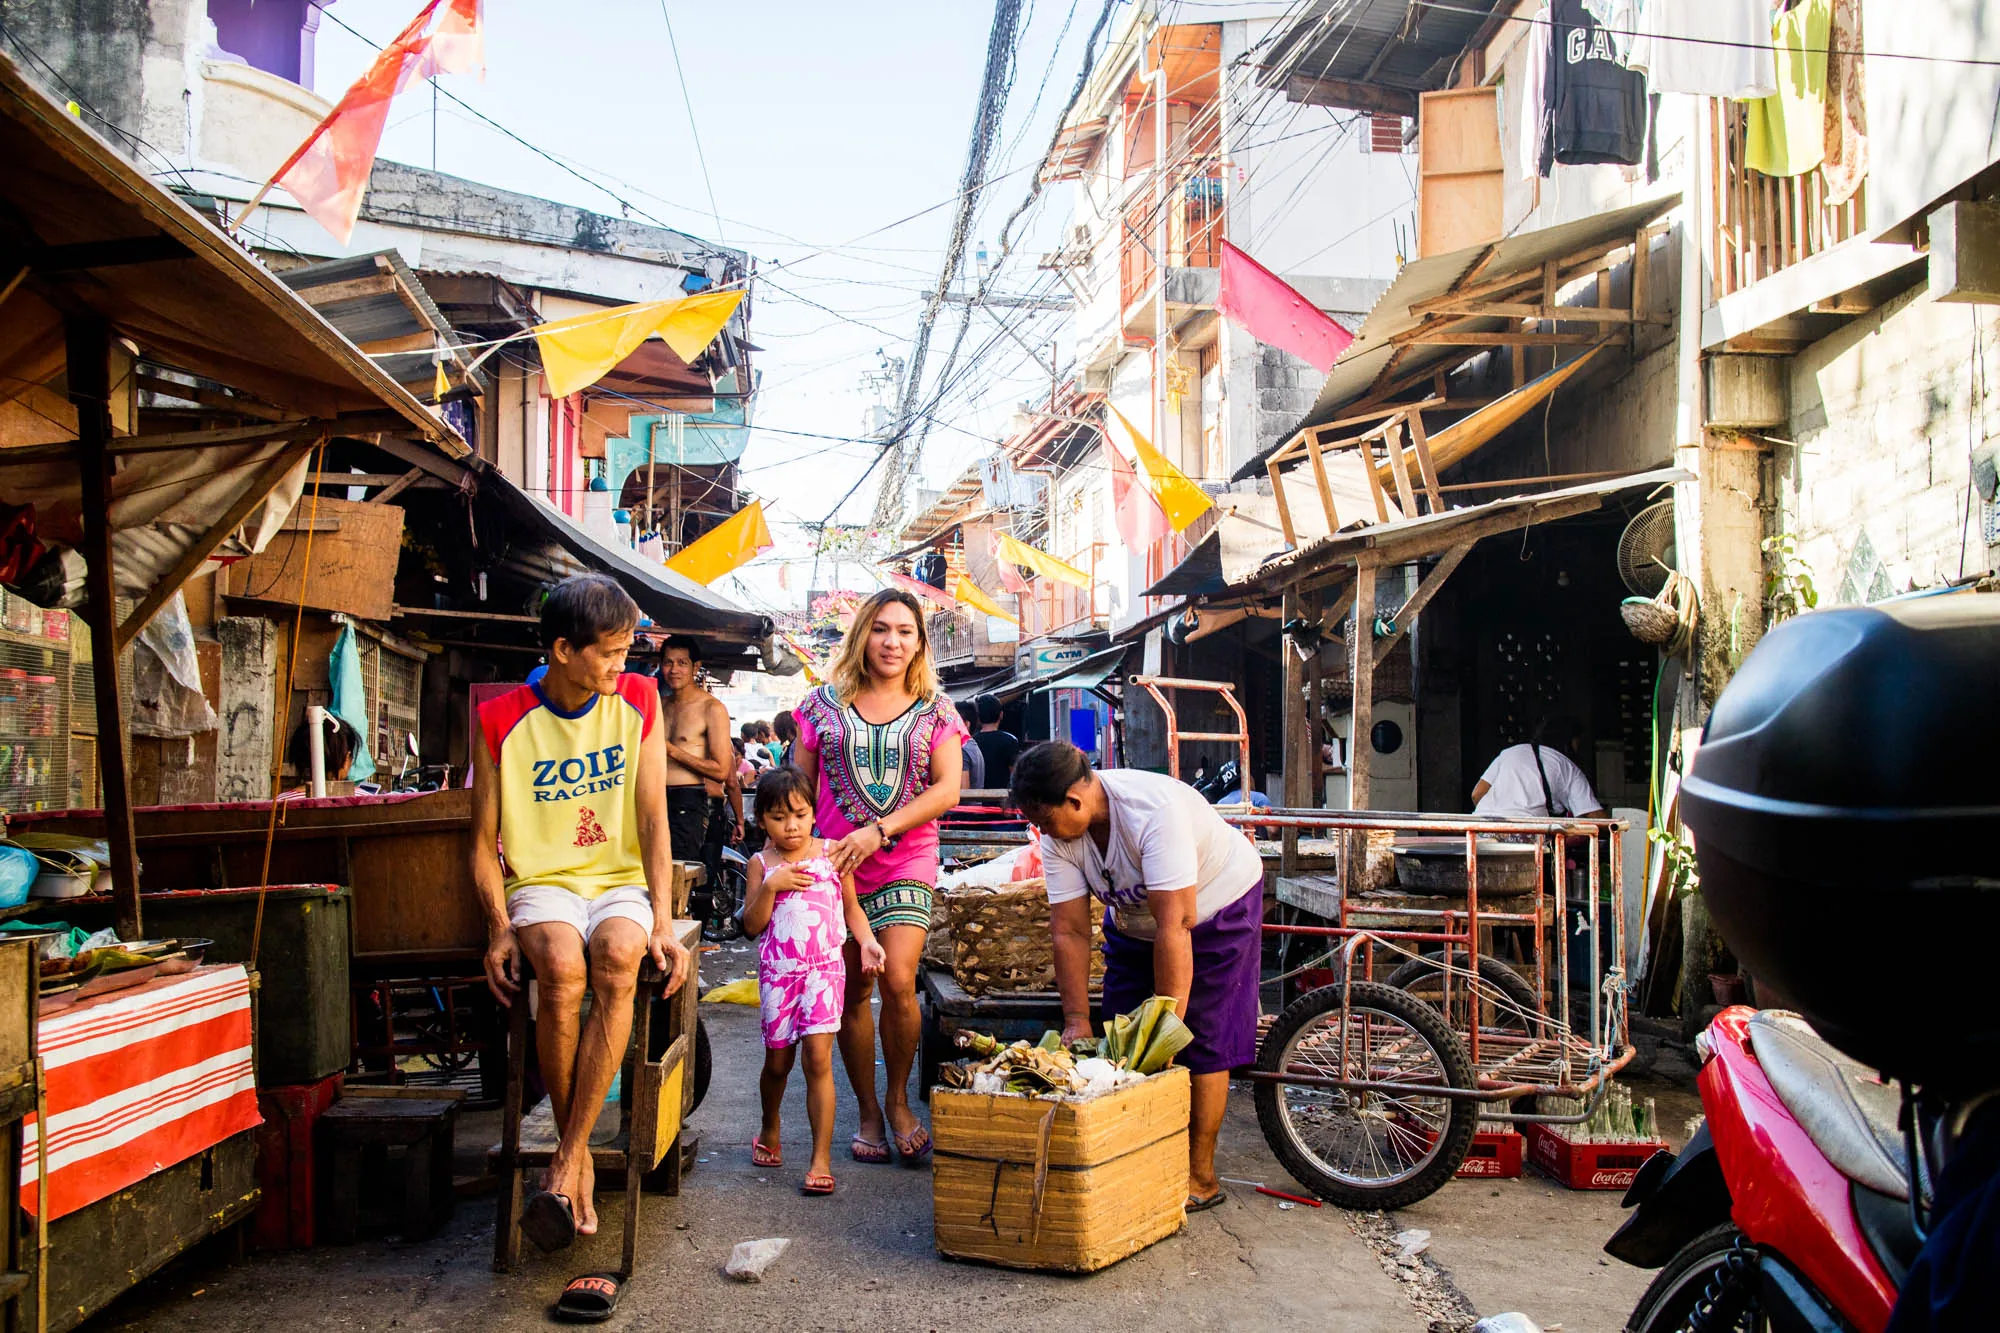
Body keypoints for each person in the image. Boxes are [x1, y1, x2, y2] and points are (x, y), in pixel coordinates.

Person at [471, 574, 691, 1259]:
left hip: (618, 880)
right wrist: (497, 926)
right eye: (611, 651)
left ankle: (567, 1159)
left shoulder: (640, 700)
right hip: (542, 882)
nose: (624, 664)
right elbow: (480, 843)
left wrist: (662, 920)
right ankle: (581, 1157)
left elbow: (653, 820)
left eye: (628, 650)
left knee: (620, 957)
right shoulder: (499, 719)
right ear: (564, 649)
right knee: (562, 967)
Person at [1010, 741, 1264, 1214]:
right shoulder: (1059, 836)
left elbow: (1176, 926)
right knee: (1119, 1036)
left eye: (1044, 820)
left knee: (1203, 1041)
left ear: (1075, 801)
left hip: (1215, 907)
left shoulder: (1153, 812)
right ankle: (1138, 1160)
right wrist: (1076, 1019)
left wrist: (1166, 1029)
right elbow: (1069, 930)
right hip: (1133, 921)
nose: (1042, 831)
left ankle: (1200, 1177)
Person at [791, 587, 968, 1163]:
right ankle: (867, 1109)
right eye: (881, 629)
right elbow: (799, 788)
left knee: (896, 979)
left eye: (905, 632)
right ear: (862, 635)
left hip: (906, 856)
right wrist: (800, 850)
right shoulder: (821, 705)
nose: (892, 642)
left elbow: (947, 788)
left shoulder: (937, 709)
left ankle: (897, 1100)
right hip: (836, 865)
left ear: (919, 644)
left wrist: (879, 830)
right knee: (852, 989)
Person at [742, 766, 887, 1196]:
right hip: (779, 976)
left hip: (824, 972)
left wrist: (867, 942)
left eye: (800, 815)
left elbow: (852, 909)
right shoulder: (760, 865)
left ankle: (820, 1159)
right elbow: (751, 924)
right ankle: (770, 1126)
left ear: (813, 813)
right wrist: (771, 887)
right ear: (761, 820)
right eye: (778, 818)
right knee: (778, 1063)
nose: (791, 826)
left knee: (818, 1060)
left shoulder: (832, 854)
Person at [659, 636, 733, 912]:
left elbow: (721, 770)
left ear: (695, 667)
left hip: (689, 802)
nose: (674, 669)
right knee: (652, 873)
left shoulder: (711, 708)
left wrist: (672, 751)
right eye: (668, 663)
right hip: (654, 798)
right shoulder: (659, 705)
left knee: (680, 877)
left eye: (682, 663)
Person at [1471, 714, 1609, 820]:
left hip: (1481, 828)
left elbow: (1477, 794)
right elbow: (1594, 815)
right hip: (1527, 833)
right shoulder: (1568, 767)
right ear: (1569, 741)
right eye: (1577, 742)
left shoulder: (1510, 752)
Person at [970, 692, 1020, 788]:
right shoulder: (1010, 741)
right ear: (1001, 715)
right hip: (1003, 795)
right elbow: (1015, 775)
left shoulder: (970, 742)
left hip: (976, 796)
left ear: (978, 717)